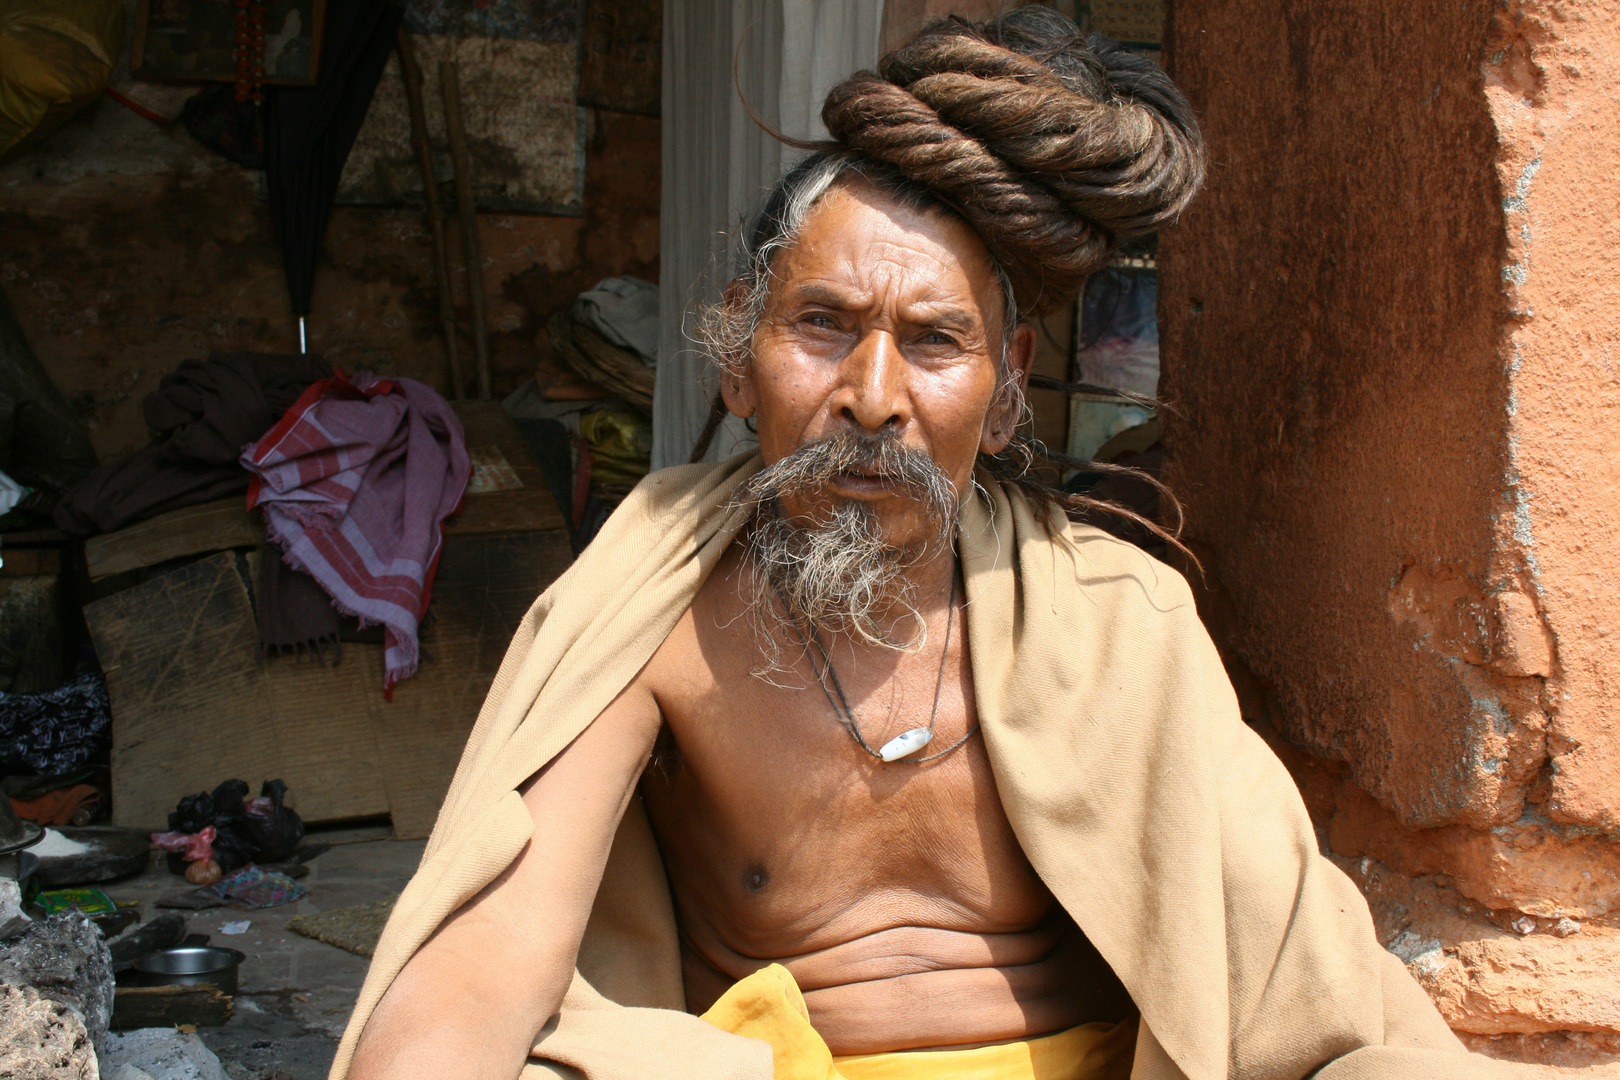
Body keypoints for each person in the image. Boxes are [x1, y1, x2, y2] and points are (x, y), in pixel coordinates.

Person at [337, 10, 1502, 1080]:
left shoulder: (1113, 617)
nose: (873, 395)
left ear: (1004, 403)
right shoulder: (658, 597)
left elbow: (1301, 987)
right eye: (821, 325)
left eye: (936, 341)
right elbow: (492, 942)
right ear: (739, 360)